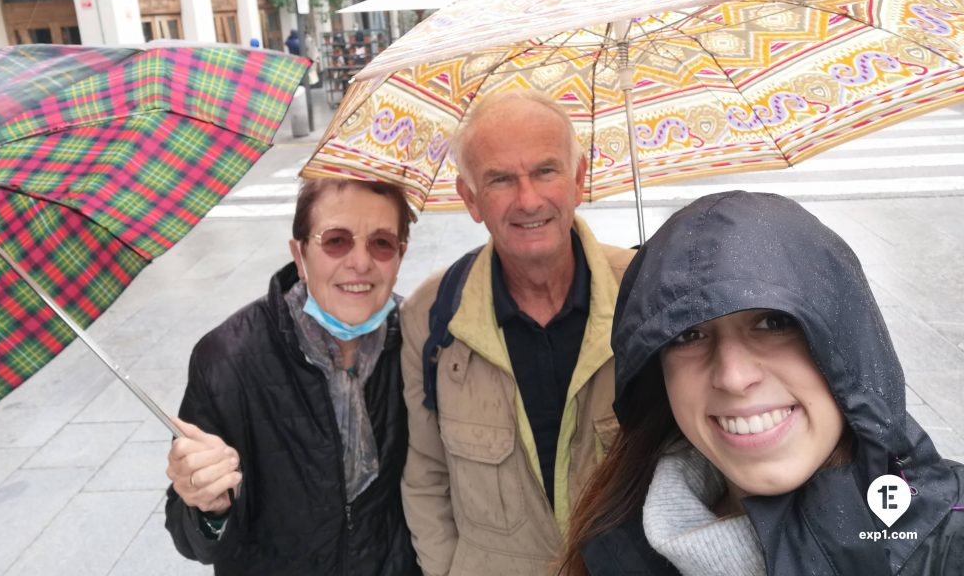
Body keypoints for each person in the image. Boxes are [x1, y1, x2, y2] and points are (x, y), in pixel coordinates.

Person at [562, 191, 964, 576]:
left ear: (848, 340)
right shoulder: (615, 542)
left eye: (774, 322)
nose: (734, 377)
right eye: (688, 334)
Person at [400, 91, 636, 575]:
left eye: (546, 171)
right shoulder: (431, 314)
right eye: (501, 179)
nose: (528, 200)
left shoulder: (642, 290)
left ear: (578, 179)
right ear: (470, 199)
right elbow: (426, 477)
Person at [164, 178, 422, 575]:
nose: (360, 262)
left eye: (382, 243)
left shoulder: (420, 342)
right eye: (336, 241)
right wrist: (209, 507)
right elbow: (190, 538)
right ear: (299, 255)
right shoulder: (228, 359)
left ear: (400, 256)